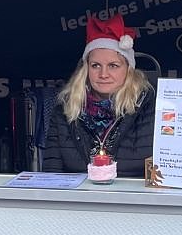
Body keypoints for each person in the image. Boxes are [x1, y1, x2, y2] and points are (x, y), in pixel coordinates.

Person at [44, 15, 156, 176]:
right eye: (96, 65)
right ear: (86, 69)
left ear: (129, 70)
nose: (103, 74)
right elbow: (52, 175)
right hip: (81, 193)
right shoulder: (65, 110)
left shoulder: (152, 108)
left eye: (113, 66)